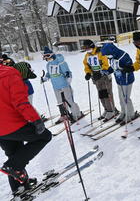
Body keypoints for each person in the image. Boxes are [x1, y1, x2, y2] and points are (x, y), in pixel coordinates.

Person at [0, 64, 52, 197]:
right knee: (44, 136)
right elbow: (20, 102)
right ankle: (13, 167)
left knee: (15, 153)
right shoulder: (10, 73)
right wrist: (36, 120)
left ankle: (19, 186)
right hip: (12, 124)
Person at [41, 46, 83, 124]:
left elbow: (67, 71)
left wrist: (68, 77)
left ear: (52, 55)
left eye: (48, 57)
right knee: (60, 102)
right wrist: (45, 78)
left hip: (64, 84)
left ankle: (77, 114)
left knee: (69, 100)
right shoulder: (48, 65)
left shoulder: (60, 62)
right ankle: (64, 114)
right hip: (56, 86)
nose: (47, 59)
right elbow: (49, 73)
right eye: (46, 58)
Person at [100, 42, 136, 125]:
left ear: (111, 51)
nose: (107, 56)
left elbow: (130, 66)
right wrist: (107, 71)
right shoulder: (112, 57)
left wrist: (123, 70)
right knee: (121, 98)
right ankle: (123, 112)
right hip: (119, 80)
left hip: (127, 79)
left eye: (107, 54)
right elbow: (113, 67)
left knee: (126, 98)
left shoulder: (123, 55)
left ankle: (130, 114)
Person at [82, 40, 118, 121]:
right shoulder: (87, 55)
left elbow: (105, 64)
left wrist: (101, 72)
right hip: (95, 77)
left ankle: (112, 110)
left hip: (104, 76)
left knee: (107, 93)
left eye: (87, 47)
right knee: (101, 94)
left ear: (91, 46)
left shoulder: (100, 53)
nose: (86, 49)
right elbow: (86, 65)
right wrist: (88, 73)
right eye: (85, 48)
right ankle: (106, 109)